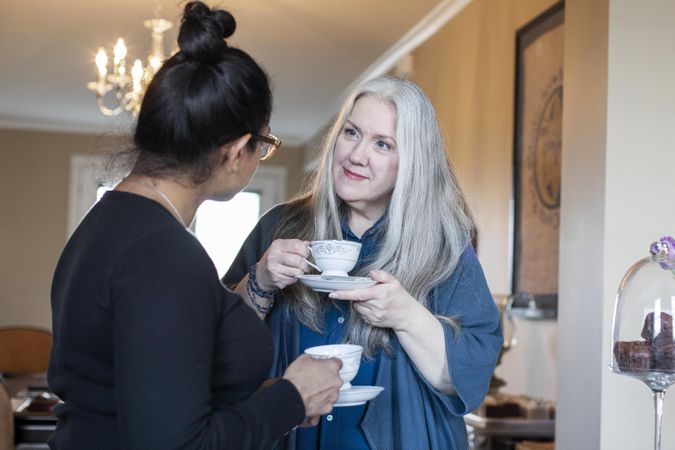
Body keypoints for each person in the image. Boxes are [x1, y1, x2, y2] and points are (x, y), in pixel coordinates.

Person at [48, 3, 343, 449]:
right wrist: (292, 399)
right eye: (262, 145)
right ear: (236, 150)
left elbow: (151, 395)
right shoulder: (164, 256)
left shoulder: (108, 222)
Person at [223, 76, 504, 450]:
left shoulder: (445, 249)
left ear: (412, 163)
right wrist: (260, 278)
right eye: (351, 133)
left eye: (383, 144)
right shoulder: (279, 226)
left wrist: (406, 314)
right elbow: (216, 346)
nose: (357, 155)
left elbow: (468, 377)